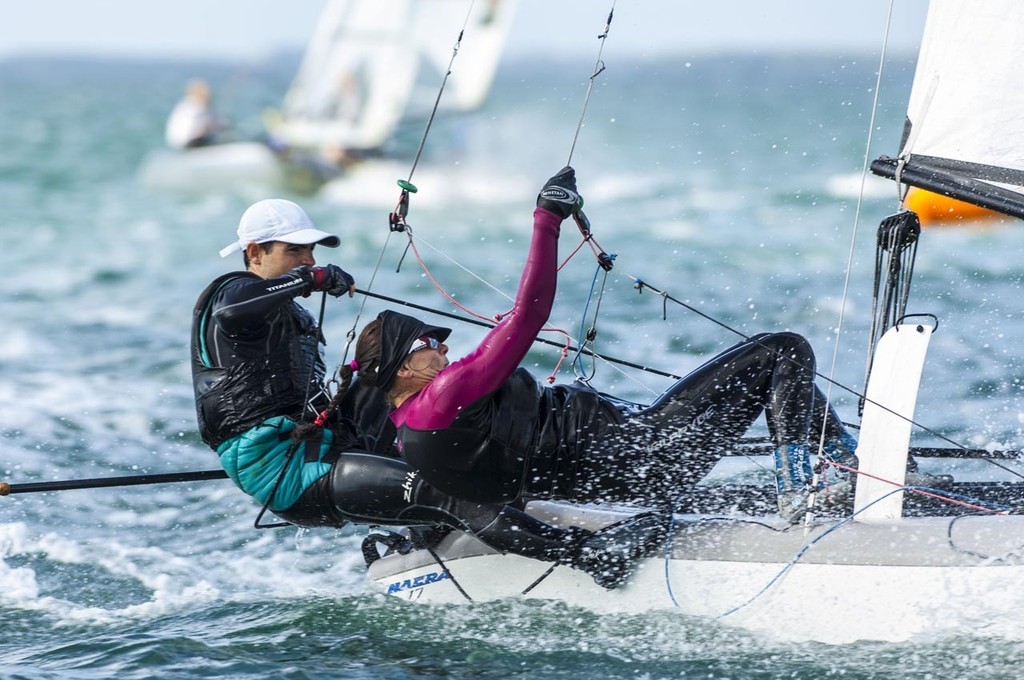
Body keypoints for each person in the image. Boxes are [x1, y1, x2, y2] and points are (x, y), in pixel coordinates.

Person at [340, 166, 918, 525]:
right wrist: (547, 220)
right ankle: (806, 490)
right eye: (423, 345)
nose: (438, 348)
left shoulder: (412, 425)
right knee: (784, 350)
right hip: (645, 453)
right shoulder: (442, 397)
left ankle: (841, 466)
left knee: (773, 372)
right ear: (401, 373)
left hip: (632, 470)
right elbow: (529, 316)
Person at [190, 197, 662, 590]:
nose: (310, 262)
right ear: (254, 253)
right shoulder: (232, 293)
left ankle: (460, 510)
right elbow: (234, 314)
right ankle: (594, 557)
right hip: (284, 471)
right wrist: (307, 281)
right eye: (296, 252)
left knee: (393, 389)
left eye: (311, 254)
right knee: (448, 495)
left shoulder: (292, 314)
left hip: (322, 446)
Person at [166, 79, 224, 149]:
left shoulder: (184, 105)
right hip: (189, 143)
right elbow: (210, 125)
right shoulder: (197, 107)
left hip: (177, 144)